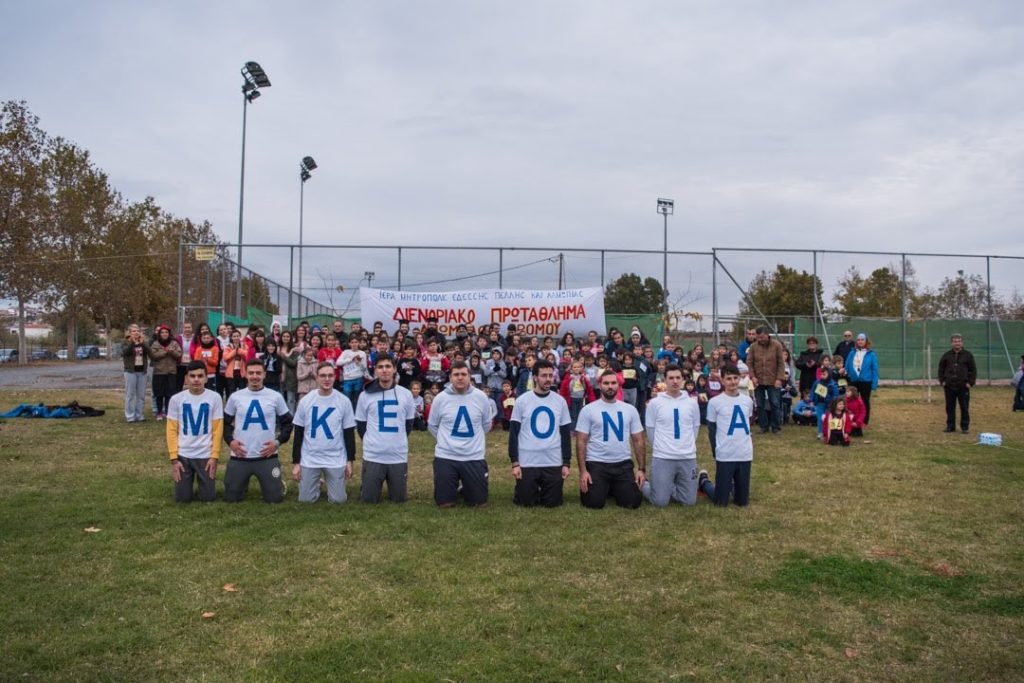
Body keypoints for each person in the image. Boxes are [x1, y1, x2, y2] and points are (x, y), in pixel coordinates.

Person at [222, 359, 294, 503]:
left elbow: (288, 423)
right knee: (231, 498)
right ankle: (241, 482)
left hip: (267, 456)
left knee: (275, 499)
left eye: (258, 373)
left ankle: (276, 483)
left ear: (264, 374)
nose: (255, 376)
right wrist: (231, 441)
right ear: (245, 374)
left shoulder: (275, 396)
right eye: (251, 373)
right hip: (240, 455)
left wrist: (277, 442)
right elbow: (225, 423)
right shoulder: (235, 397)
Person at [428, 361, 497, 508]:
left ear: (469, 377)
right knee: (445, 504)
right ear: (450, 377)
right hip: (446, 456)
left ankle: (467, 485)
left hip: (473, 456)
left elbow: (486, 424)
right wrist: (445, 441)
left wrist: (473, 442)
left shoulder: (480, 397)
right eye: (456, 374)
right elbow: (432, 425)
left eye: (463, 374)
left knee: (478, 503)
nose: (460, 378)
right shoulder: (440, 398)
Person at [575, 370, 647, 509]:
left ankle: (613, 487)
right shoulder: (588, 410)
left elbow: (638, 440)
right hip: (597, 462)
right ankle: (604, 486)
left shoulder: (630, 409)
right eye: (606, 383)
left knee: (632, 502)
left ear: (618, 385)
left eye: (613, 383)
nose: (610, 386)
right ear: (600, 385)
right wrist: (583, 471)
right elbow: (581, 441)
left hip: (622, 463)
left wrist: (641, 469)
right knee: (593, 503)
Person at [508, 359, 573, 507]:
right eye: (544, 375)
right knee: (526, 503)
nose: (548, 379)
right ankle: (523, 489)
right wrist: (515, 463)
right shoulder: (522, 401)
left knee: (552, 503)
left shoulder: (560, 401)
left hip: (552, 459)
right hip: (528, 459)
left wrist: (566, 462)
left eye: (551, 375)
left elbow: (565, 434)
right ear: (535, 377)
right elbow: (514, 434)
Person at [291, 362, 356, 504]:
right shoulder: (306, 401)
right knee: (305, 500)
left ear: (335, 377)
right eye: (323, 376)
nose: (327, 379)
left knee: (338, 501)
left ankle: (329, 482)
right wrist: (296, 462)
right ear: (317, 378)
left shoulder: (343, 401)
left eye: (330, 375)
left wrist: (349, 461)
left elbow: (349, 433)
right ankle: (316, 483)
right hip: (310, 457)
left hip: (335, 457)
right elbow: (299, 434)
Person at [356, 356, 416, 503]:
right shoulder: (365, 395)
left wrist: (396, 441)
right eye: (380, 367)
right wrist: (372, 442)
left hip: (397, 454)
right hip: (373, 455)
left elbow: (408, 424)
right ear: (375, 371)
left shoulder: (406, 394)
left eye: (388, 366)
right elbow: (361, 425)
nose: (384, 370)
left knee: (399, 499)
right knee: (368, 500)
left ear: (394, 369)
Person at [641, 364, 701, 507]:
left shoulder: (692, 403)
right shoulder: (654, 403)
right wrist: (661, 448)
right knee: (659, 502)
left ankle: (668, 486)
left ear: (683, 379)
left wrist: (686, 446)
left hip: (687, 456)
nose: (675, 381)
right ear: (664, 380)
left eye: (678, 378)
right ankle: (642, 484)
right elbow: (650, 430)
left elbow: (695, 428)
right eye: (671, 378)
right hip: (663, 456)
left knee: (689, 502)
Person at [166, 361, 223, 502]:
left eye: (200, 376)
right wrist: (174, 459)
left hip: (205, 454)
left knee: (208, 498)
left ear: (206, 378)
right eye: (192, 376)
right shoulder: (176, 399)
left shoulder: (215, 398)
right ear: (186, 378)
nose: (196, 379)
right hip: (183, 454)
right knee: (182, 499)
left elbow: (217, 429)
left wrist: (214, 457)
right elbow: (171, 430)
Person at [698, 365, 754, 507]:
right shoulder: (715, 402)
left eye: (735, 378)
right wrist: (715, 450)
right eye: (728, 379)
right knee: (720, 501)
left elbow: (748, 423)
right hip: (725, 453)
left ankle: (733, 486)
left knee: (742, 502)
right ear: (722, 380)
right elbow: (712, 429)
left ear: (740, 378)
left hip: (744, 453)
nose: (733, 382)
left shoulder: (747, 401)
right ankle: (704, 482)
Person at [746, 326, 786, 434]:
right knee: (760, 404)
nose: (760, 339)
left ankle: (776, 427)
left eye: (762, 337)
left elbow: (781, 363)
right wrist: (753, 377)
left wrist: (779, 378)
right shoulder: (753, 347)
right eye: (758, 337)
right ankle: (763, 426)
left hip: (773, 380)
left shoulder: (777, 345)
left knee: (775, 403)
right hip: (758, 380)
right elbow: (749, 363)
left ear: (767, 335)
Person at [937, 333, 977, 433]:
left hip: (963, 386)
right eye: (955, 341)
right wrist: (942, 381)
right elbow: (941, 369)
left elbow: (973, 370)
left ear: (962, 343)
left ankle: (964, 427)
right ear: (952, 343)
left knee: (964, 407)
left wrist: (970, 383)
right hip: (949, 386)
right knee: (950, 407)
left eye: (959, 341)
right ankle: (950, 426)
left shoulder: (968, 355)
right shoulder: (946, 355)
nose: (957, 343)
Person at [844, 333, 879, 425]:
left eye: (862, 339)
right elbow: (847, 366)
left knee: (865, 401)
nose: (860, 341)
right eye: (858, 339)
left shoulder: (871, 354)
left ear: (866, 341)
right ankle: (851, 419)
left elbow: (875, 369)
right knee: (851, 400)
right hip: (853, 381)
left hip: (866, 381)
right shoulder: (852, 353)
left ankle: (864, 421)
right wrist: (846, 374)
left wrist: (874, 383)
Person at [149, 325, 182, 421]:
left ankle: (168, 412)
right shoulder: (155, 343)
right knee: (159, 394)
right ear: (159, 334)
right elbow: (153, 355)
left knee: (169, 394)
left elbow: (179, 354)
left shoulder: (174, 343)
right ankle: (159, 412)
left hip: (171, 372)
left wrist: (172, 352)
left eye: (166, 332)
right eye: (162, 332)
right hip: (159, 372)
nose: (164, 334)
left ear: (169, 333)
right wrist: (165, 352)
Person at [122, 324, 151, 423]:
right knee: (130, 394)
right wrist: (132, 343)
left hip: (142, 371)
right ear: (129, 333)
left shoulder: (143, 343)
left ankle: (139, 415)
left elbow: (149, 352)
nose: (136, 333)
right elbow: (125, 353)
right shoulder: (126, 342)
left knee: (141, 395)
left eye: (138, 331)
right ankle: (130, 416)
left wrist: (142, 343)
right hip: (130, 371)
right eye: (134, 331)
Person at [175, 322, 195, 392]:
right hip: (180, 364)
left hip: (192, 364)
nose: (187, 329)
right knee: (178, 384)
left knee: (192, 382)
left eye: (189, 327)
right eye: (185, 327)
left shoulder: (195, 338)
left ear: (191, 328)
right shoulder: (178, 338)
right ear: (183, 329)